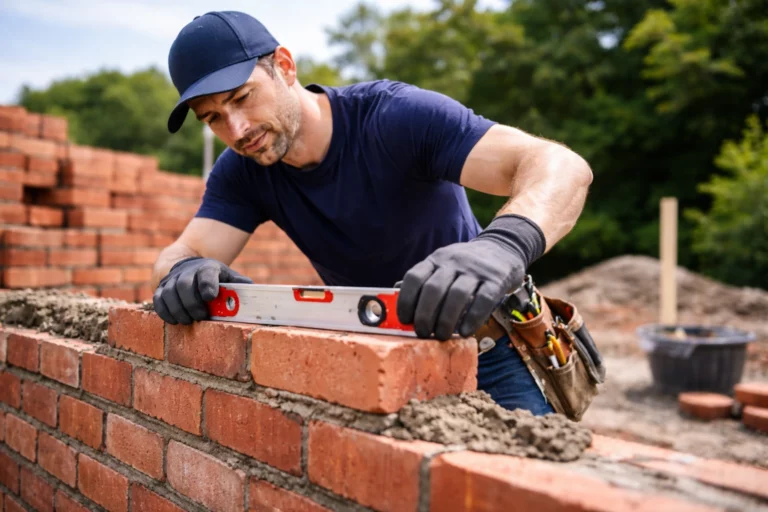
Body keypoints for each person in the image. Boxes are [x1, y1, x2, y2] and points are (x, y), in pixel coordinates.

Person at [152, 11, 593, 416]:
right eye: (212, 119)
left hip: (488, 352)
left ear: (285, 67)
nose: (237, 130)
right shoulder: (245, 170)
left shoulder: (395, 118)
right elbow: (183, 252)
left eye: (243, 97)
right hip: (377, 359)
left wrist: (502, 246)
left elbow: (562, 167)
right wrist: (183, 272)